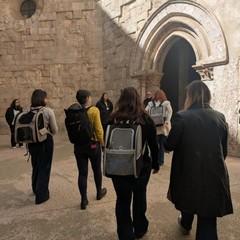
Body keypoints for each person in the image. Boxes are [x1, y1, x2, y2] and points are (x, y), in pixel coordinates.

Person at [164, 81, 233, 240]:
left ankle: (186, 224)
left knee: (189, 198)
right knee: (208, 217)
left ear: (190, 97)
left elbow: (169, 145)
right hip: (214, 172)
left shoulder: (182, 116)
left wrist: (167, 134)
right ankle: (186, 224)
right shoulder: (219, 117)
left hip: (188, 171)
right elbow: (223, 151)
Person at [108, 87, 159, 240]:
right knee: (139, 196)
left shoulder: (112, 119)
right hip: (140, 166)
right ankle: (140, 228)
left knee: (122, 200)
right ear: (138, 99)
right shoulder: (145, 119)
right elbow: (153, 145)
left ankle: (125, 234)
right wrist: (155, 163)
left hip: (117, 167)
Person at [75, 90, 107, 210]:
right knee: (96, 169)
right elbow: (99, 129)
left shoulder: (74, 111)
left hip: (79, 146)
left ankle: (83, 200)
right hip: (93, 144)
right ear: (87, 98)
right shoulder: (94, 110)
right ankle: (99, 192)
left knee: (82, 173)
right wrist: (102, 144)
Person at [28, 89, 58, 204]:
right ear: (42, 98)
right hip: (45, 142)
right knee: (44, 168)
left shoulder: (28, 111)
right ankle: (42, 195)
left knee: (35, 165)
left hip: (31, 143)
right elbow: (54, 130)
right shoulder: (47, 111)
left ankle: (35, 189)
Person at [145, 89, 172, 166]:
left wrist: (148, 121)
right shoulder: (166, 103)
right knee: (162, 145)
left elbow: (145, 111)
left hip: (154, 128)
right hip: (163, 127)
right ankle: (160, 161)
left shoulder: (150, 103)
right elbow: (170, 111)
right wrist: (167, 121)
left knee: (154, 145)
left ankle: (153, 159)